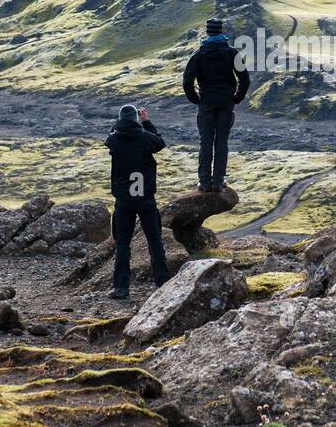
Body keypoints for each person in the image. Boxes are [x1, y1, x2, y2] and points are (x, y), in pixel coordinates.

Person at [103, 104, 170, 300]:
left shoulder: (114, 139)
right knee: (155, 240)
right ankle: (163, 282)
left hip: (123, 201)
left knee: (122, 243)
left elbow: (108, 139)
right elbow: (160, 143)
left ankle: (121, 287)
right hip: (146, 198)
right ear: (135, 118)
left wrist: (117, 125)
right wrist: (146, 122)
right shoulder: (145, 138)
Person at [182, 18, 250, 192]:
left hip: (206, 103)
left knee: (205, 142)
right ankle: (218, 181)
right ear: (221, 32)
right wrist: (237, 98)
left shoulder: (199, 54)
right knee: (222, 141)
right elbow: (245, 79)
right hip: (226, 102)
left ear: (208, 32)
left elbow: (187, 81)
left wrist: (196, 99)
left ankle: (204, 182)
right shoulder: (232, 53)